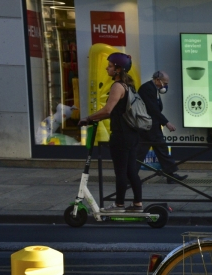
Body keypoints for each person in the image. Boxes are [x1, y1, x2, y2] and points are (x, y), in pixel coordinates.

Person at [78, 52, 142, 212]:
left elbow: (108, 110)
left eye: (110, 66)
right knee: (131, 170)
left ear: (118, 69)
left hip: (121, 135)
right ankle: (137, 204)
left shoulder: (117, 86)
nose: (107, 68)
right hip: (132, 134)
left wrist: (88, 118)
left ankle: (119, 205)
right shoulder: (129, 87)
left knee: (121, 171)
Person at [138, 71, 188, 184]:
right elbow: (153, 109)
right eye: (164, 83)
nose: (165, 85)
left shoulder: (153, 89)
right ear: (157, 79)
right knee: (146, 151)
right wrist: (166, 123)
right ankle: (129, 176)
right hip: (148, 126)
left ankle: (171, 175)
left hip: (151, 126)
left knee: (158, 150)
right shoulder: (147, 89)